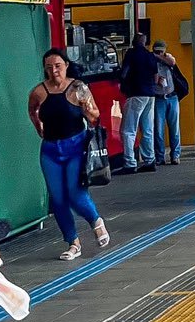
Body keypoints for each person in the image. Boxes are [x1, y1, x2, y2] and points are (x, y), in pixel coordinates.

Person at [29, 49, 109, 262]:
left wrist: (85, 108)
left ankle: (96, 221)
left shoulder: (78, 88)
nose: (53, 71)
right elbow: (32, 110)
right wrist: (39, 128)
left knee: (75, 193)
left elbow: (95, 115)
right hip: (51, 150)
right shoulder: (39, 92)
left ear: (65, 65)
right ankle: (73, 242)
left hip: (75, 146)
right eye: (48, 67)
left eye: (57, 66)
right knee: (58, 199)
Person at [119, 29, 166, 172]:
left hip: (135, 94)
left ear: (133, 42)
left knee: (128, 130)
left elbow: (124, 73)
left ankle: (130, 163)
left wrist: (123, 82)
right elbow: (155, 76)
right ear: (145, 43)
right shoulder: (150, 56)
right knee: (147, 129)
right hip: (150, 94)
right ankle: (149, 160)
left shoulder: (131, 54)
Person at [153, 37, 186, 166]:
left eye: (161, 51)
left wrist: (159, 56)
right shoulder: (151, 62)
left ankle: (175, 155)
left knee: (174, 128)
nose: (160, 53)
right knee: (158, 129)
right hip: (159, 98)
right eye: (157, 51)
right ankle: (160, 156)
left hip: (172, 97)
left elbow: (172, 62)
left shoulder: (168, 58)